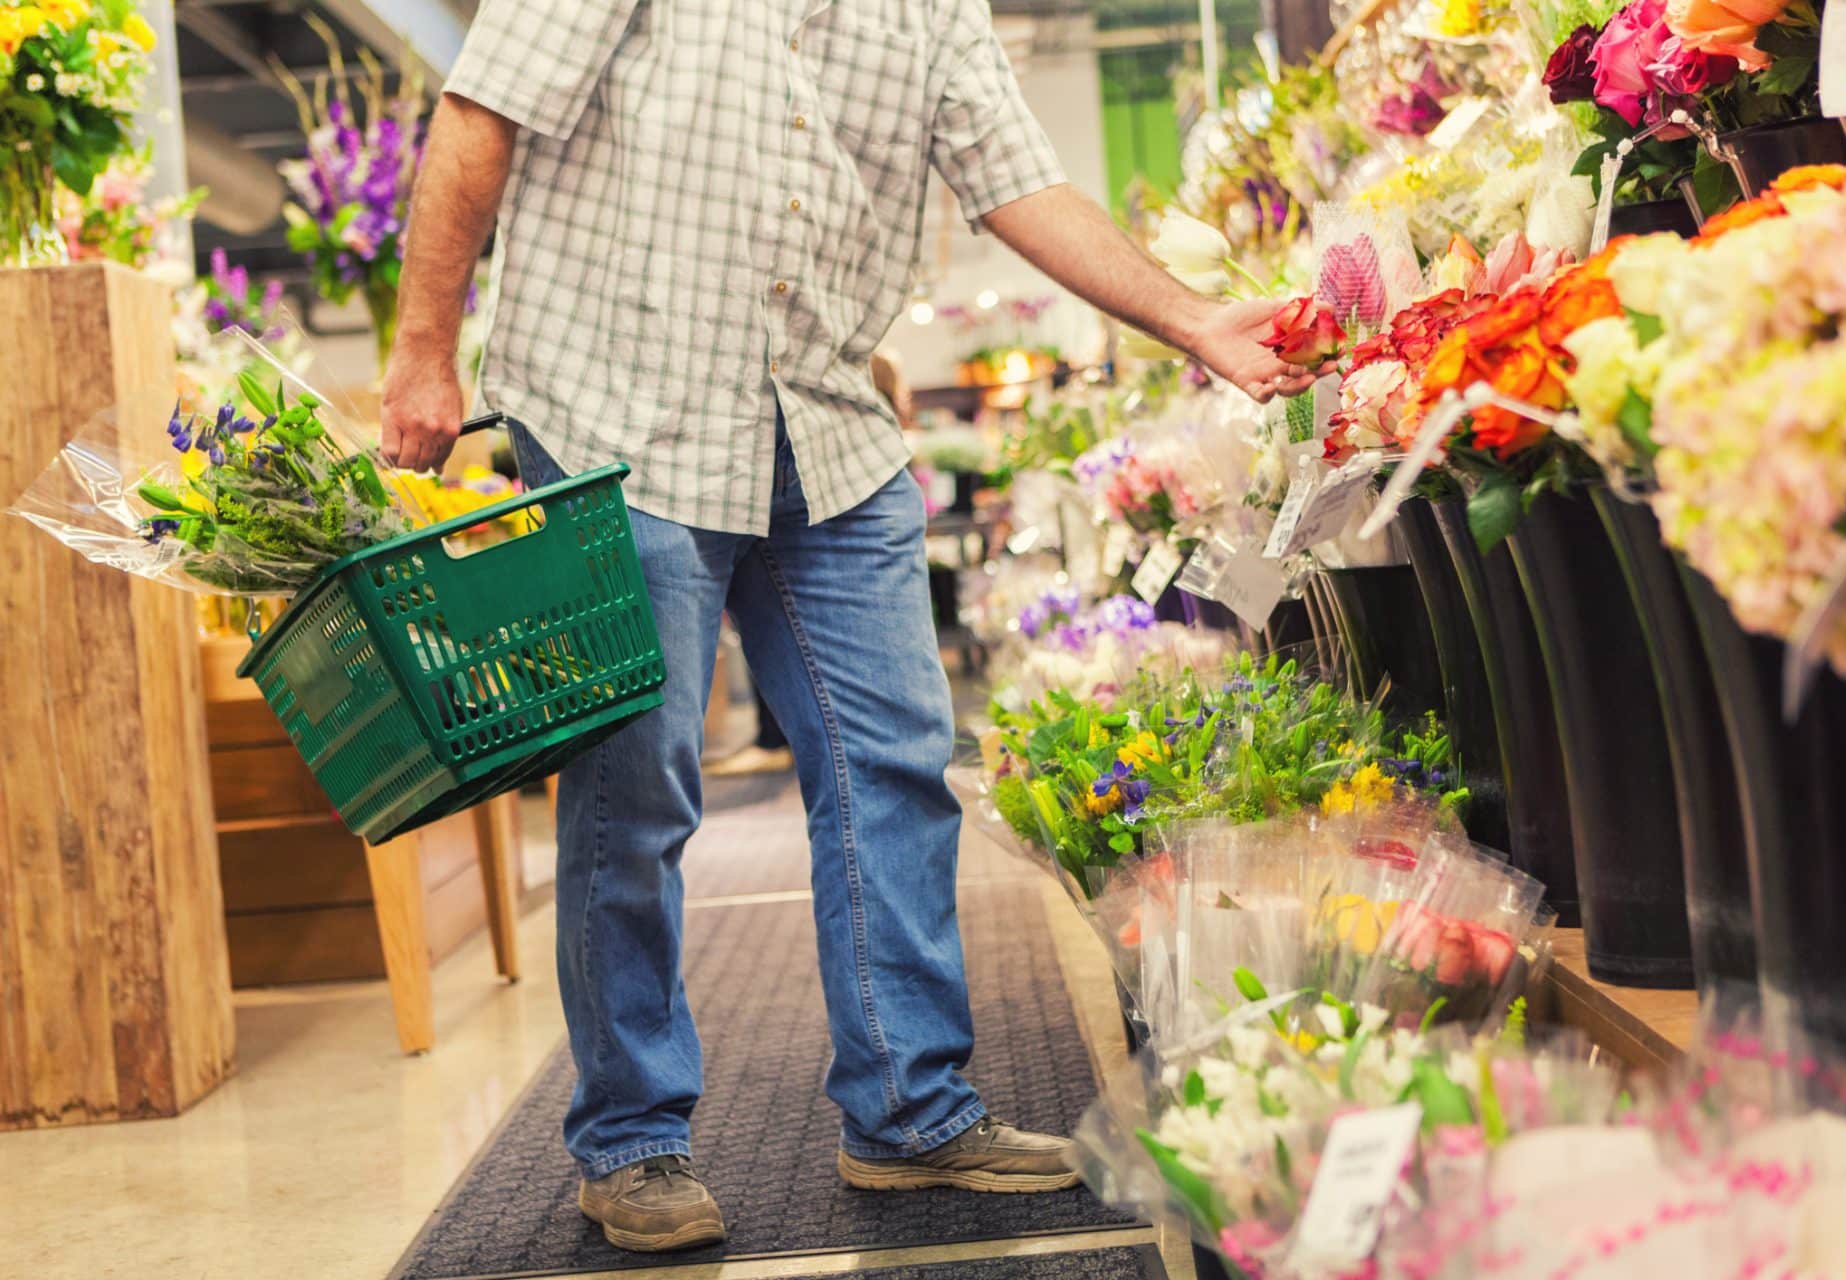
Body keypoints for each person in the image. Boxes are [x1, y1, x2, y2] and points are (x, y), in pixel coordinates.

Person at [380, 0, 1317, 1256]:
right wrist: (423, 349)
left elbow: (1019, 183)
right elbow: (479, 109)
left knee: (893, 758)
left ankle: (909, 1108)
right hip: (618, 410)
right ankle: (631, 1138)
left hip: (822, 420)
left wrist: (1195, 318)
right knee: (637, 781)